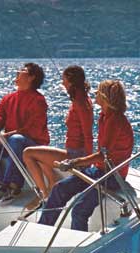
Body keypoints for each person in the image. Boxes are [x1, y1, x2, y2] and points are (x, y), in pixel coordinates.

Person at [38, 79, 134, 232]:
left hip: (111, 175)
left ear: (105, 97)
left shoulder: (115, 120)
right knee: (59, 189)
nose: (95, 93)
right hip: (98, 170)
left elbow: (104, 156)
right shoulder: (104, 116)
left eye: (98, 91)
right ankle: (42, 231)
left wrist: (75, 162)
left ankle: (76, 240)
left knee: (79, 209)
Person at [0, 62, 49, 205]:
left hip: (33, 145)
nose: (17, 71)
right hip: (12, 143)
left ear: (31, 77)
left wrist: (7, 135)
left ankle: (13, 186)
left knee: (16, 139)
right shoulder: (8, 98)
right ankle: (0, 183)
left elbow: (33, 129)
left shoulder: (38, 100)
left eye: (23, 70)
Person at [23, 65, 93, 210]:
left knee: (28, 153)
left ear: (72, 82)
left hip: (75, 155)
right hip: (72, 151)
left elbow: (88, 134)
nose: (63, 83)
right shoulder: (80, 99)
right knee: (40, 153)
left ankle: (45, 193)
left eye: (64, 80)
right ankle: (51, 185)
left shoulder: (80, 103)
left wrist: (86, 162)